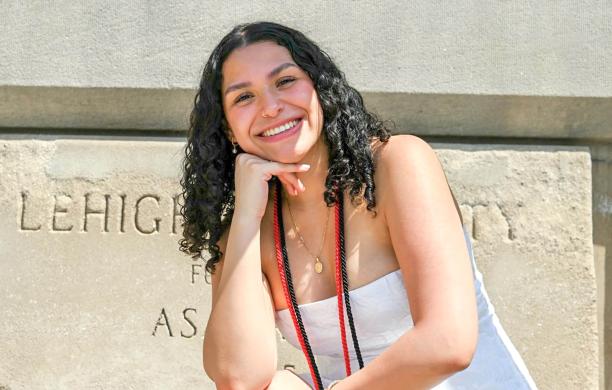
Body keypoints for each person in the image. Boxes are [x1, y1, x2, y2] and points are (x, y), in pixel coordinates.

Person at [179, 21, 538, 390]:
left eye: (285, 81)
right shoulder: (247, 234)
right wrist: (245, 219)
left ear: (321, 88)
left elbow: (449, 344)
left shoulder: (396, 165)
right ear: (226, 129)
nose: (270, 107)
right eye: (244, 97)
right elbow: (239, 378)